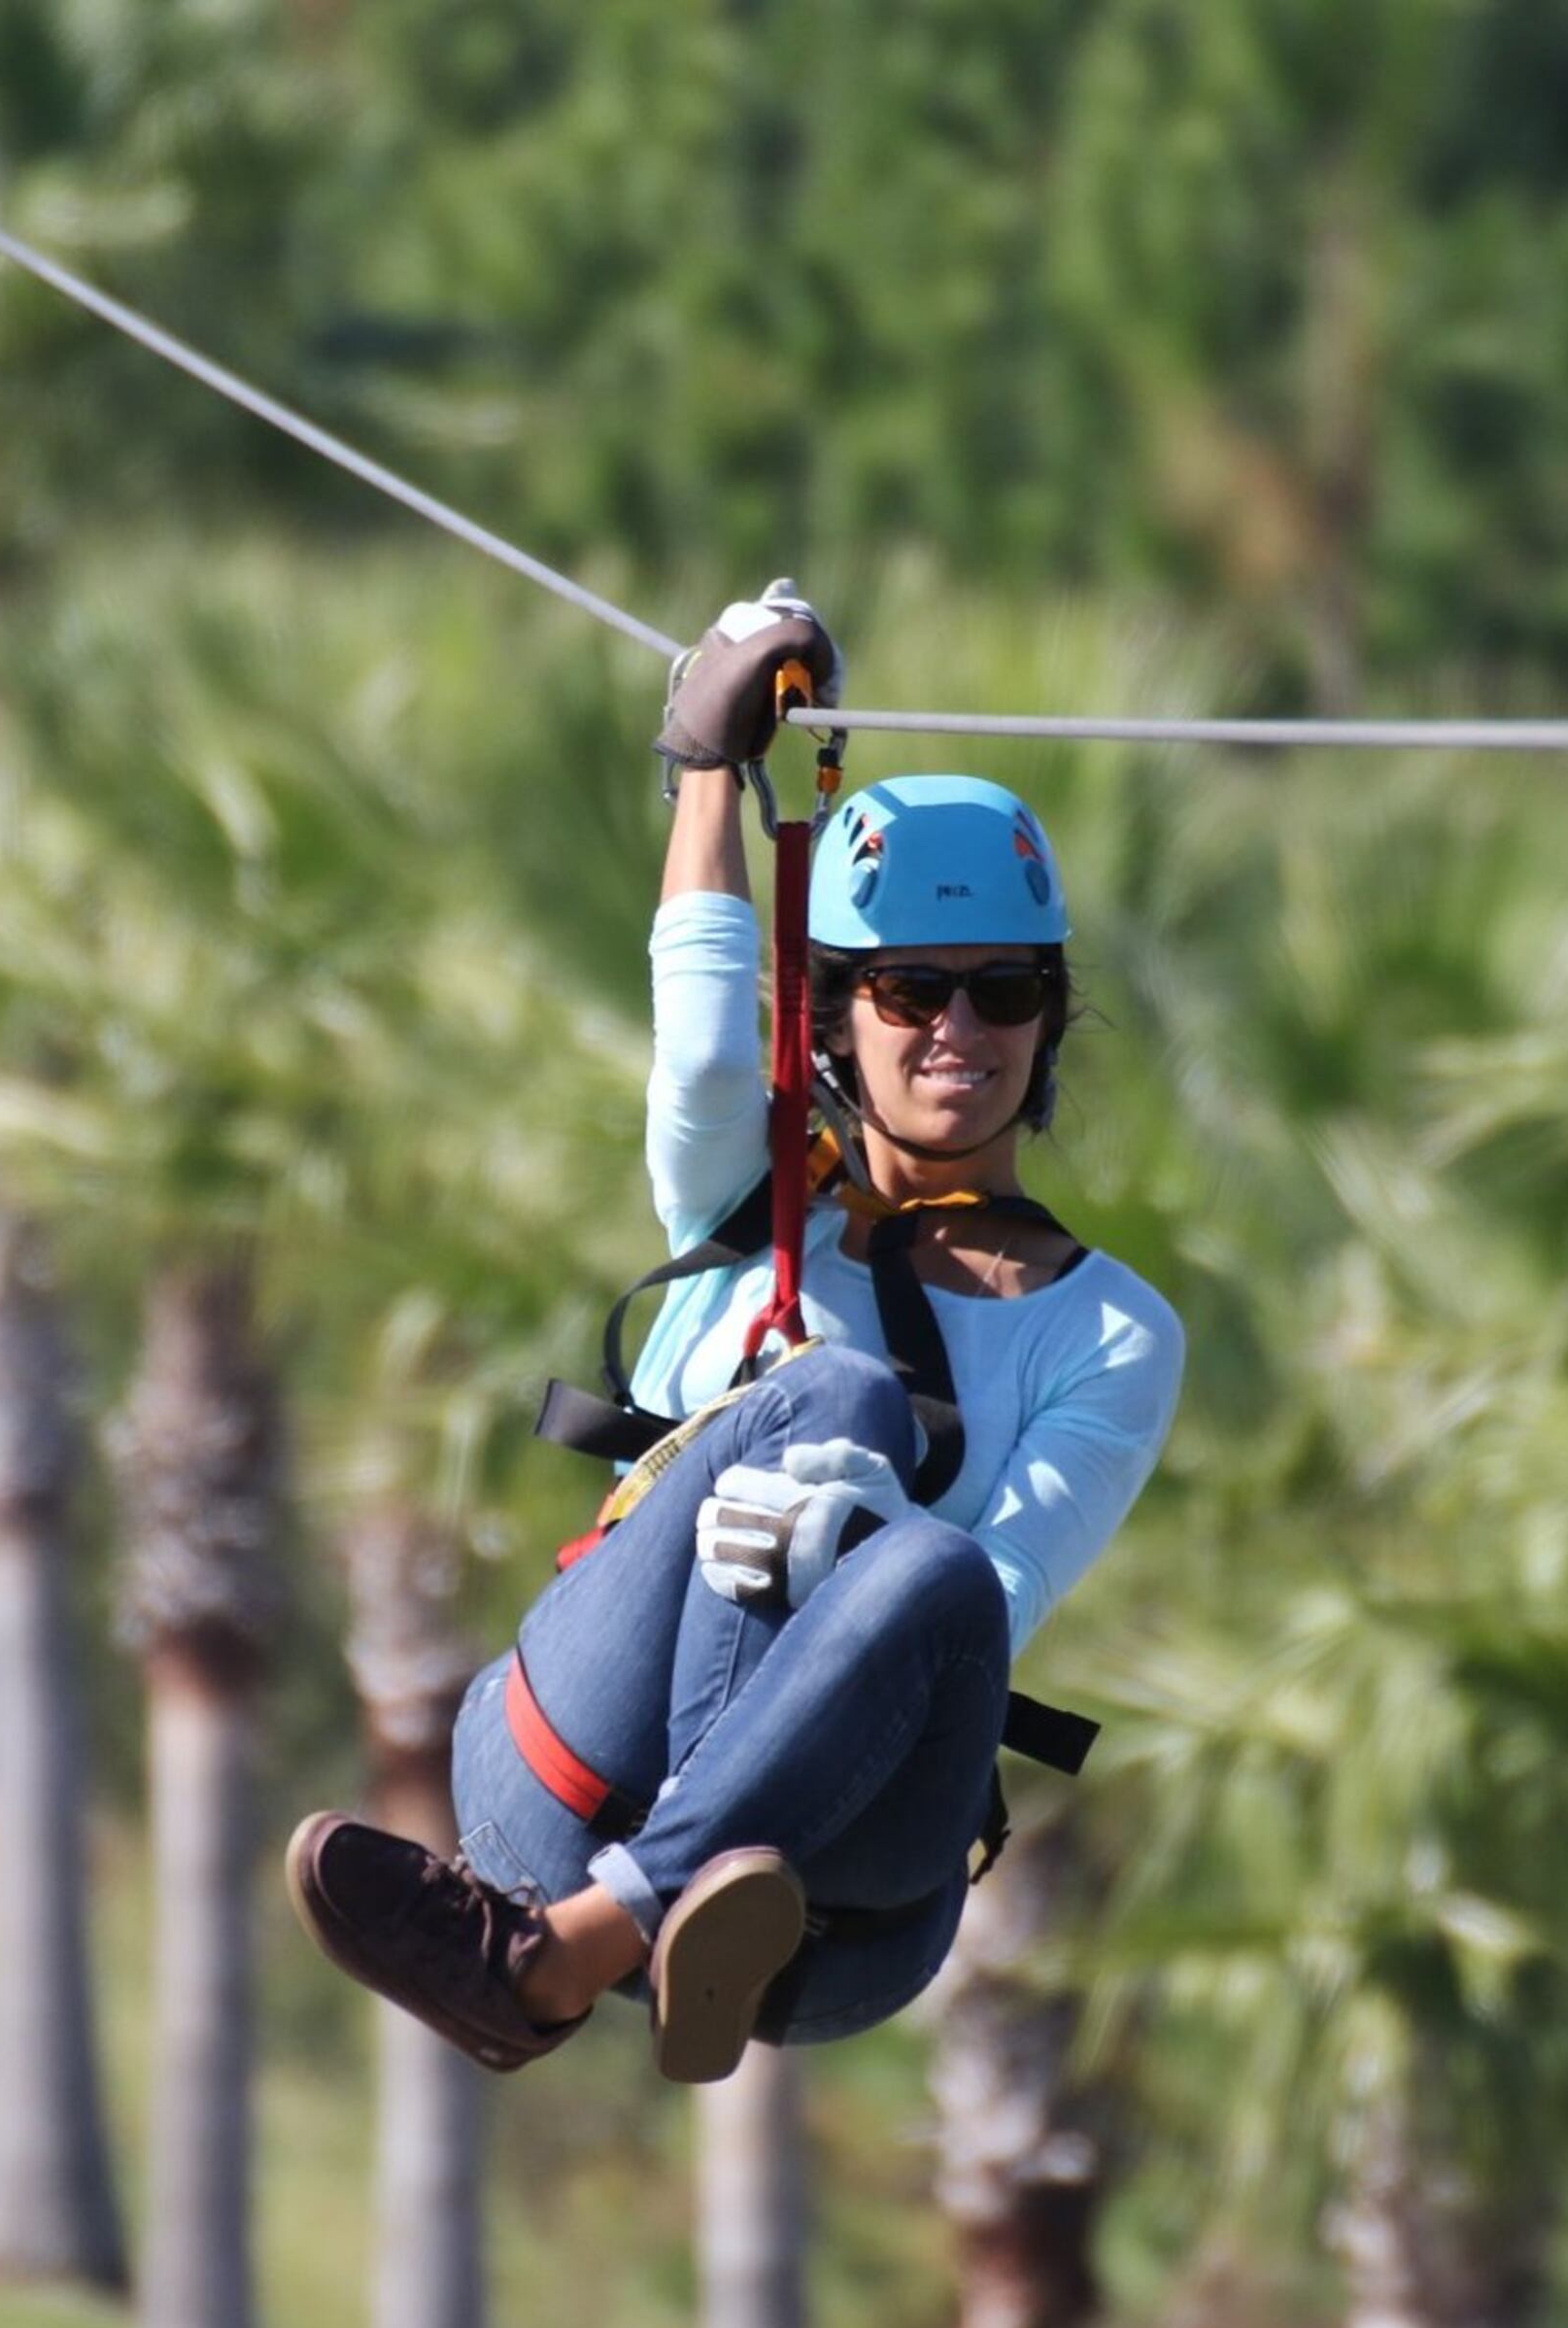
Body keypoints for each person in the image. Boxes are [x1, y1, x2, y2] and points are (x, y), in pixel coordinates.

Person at [289, 586, 1184, 2083]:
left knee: (943, 1572)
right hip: (569, 1782)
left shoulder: (1115, 1335)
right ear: (834, 1020)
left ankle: (578, 1953)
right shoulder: (753, 1191)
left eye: (1005, 993)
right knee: (835, 1391)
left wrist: (869, 1536)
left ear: (1049, 1022)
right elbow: (707, 1047)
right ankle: (612, 1915)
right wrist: (709, 766)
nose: (958, 1031)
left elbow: (1005, 1596)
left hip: (831, 1910)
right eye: (909, 992)